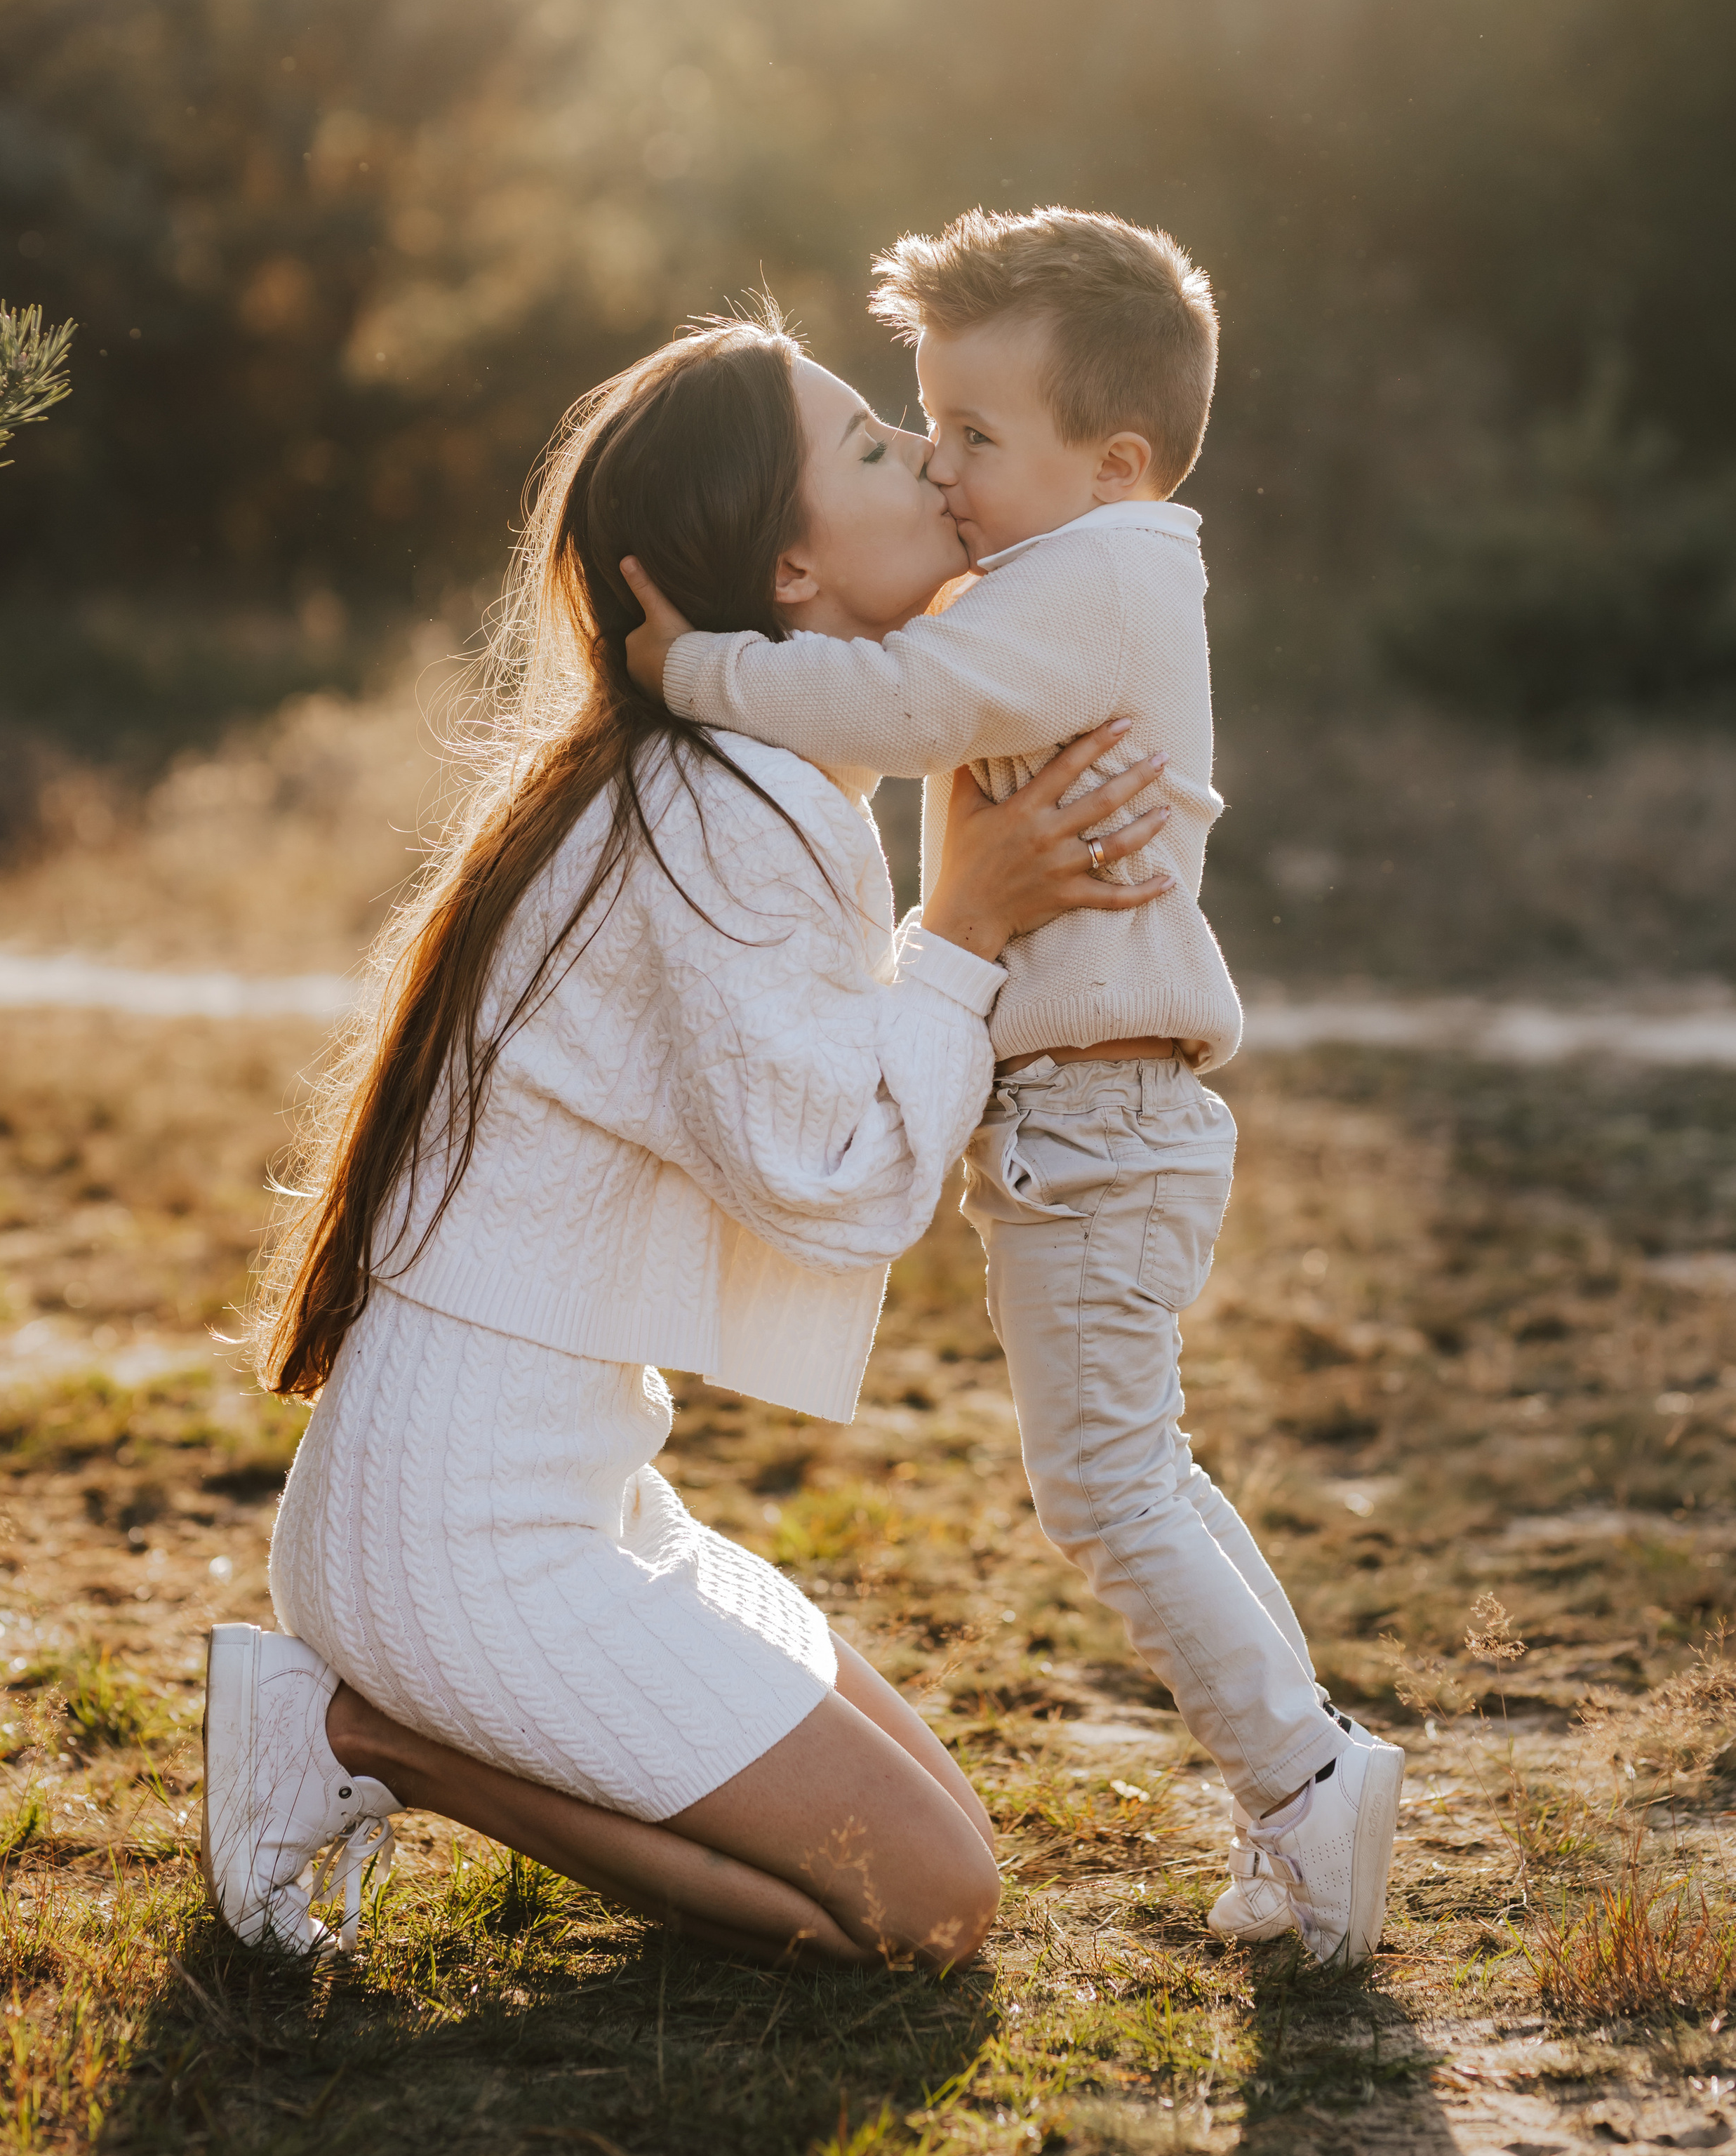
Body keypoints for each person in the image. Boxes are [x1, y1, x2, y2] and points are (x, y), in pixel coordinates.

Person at [202, 307, 1175, 1969]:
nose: (931, 461)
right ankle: (361, 1740)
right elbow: (839, 1187)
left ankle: (374, 1713)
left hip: (570, 1491)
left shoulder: (739, 777)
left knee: (930, 1828)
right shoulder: (714, 818)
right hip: (454, 1536)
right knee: (927, 1912)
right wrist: (963, 929)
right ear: (788, 577)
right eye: (875, 447)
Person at [622, 209, 1406, 1967]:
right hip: (1084, 1120)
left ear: (1111, 459)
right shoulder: (1071, 575)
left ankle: (1302, 1774)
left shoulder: (1102, 575)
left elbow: (898, 700)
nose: (944, 472)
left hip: (1102, 1124)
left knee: (1110, 1493)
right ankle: (1307, 1780)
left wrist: (687, 669)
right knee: (1132, 1478)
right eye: (927, 425)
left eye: (975, 436)